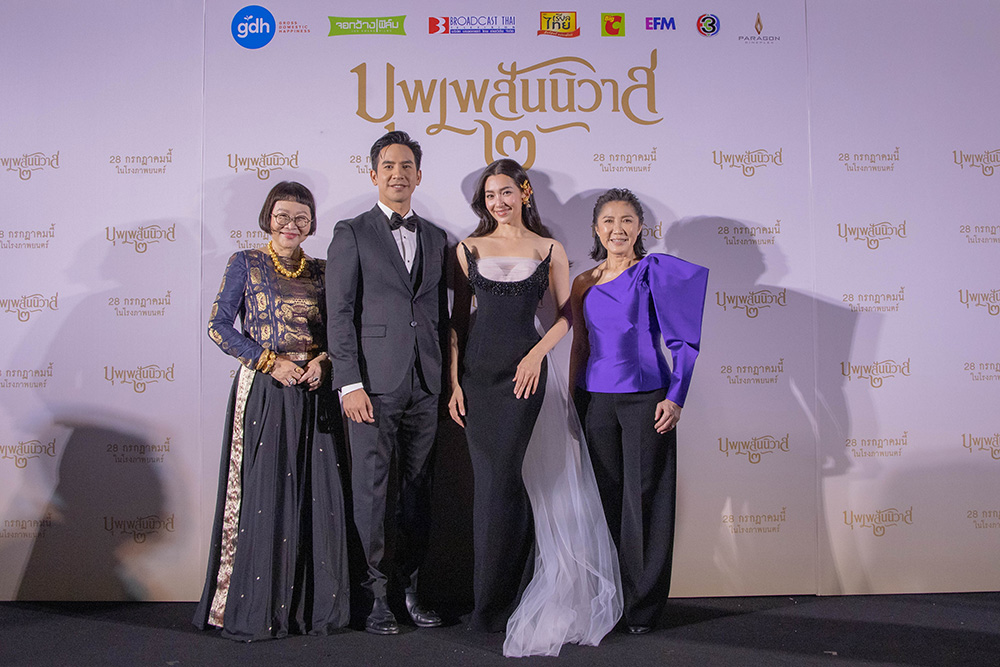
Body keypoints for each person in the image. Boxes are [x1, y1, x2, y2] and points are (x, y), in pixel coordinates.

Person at [448, 159, 622, 657]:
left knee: (509, 481)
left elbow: (568, 316)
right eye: (489, 195)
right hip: (478, 379)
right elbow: (456, 322)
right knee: (490, 487)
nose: (498, 202)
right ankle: (488, 604)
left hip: (524, 376)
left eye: (506, 192)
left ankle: (510, 595)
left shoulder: (550, 248)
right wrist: (453, 384)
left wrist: (535, 355)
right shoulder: (467, 248)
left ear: (524, 193)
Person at [194, 181, 349, 640]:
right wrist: (268, 361)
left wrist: (324, 361)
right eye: (282, 216)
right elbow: (219, 326)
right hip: (266, 388)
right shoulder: (245, 262)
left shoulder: (323, 270)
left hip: (316, 390)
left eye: (301, 218)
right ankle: (255, 610)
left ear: (312, 223)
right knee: (265, 497)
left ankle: (311, 613)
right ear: (268, 218)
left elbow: (340, 329)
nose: (291, 225)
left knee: (319, 496)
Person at [569, 188, 709, 635]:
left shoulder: (654, 272)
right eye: (608, 221)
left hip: (648, 398)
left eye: (627, 220)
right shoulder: (583, 281)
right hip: (596, 401)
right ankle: (612, 598)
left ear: (640, 228)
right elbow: (580, 344)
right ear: (596, 229)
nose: (618, 229)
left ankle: (643, 607)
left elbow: (683, 339)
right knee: (605, 500)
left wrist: (677, 395)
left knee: (645, 500)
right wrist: (573, 400)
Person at [326, 131, 448, 635]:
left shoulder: (437, 237)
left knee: (419, 490)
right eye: (389, 166)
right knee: (371, 492)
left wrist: (445, 379)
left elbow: (439, 314)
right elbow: (339, 313)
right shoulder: (351, 232)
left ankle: (410, 589)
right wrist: (348, 382)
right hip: (372, 386)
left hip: (426, 382)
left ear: (419, 175)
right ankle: (374, 597)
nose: (398, 174)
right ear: (374, 173)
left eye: (406, 166)